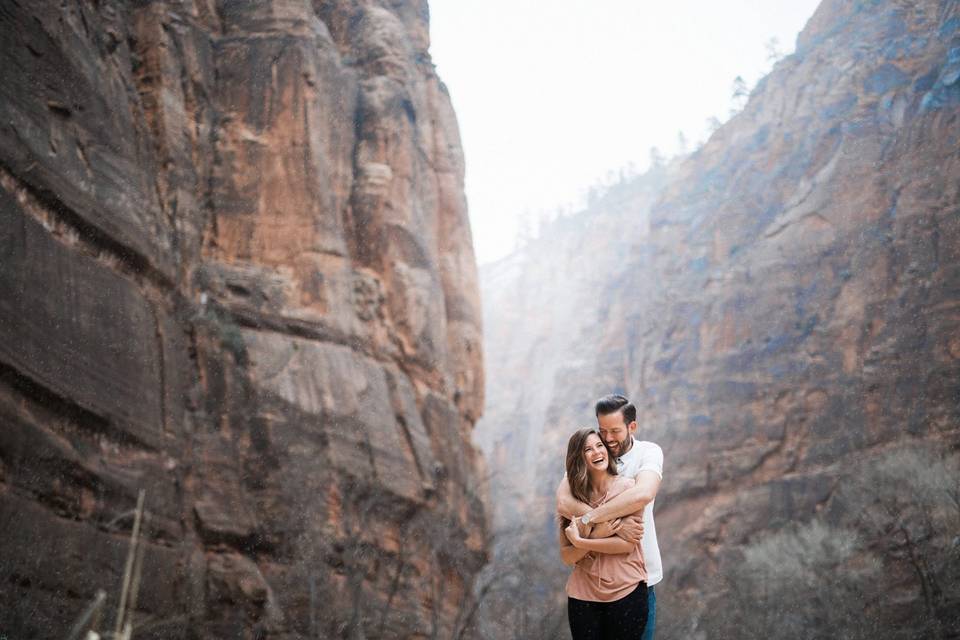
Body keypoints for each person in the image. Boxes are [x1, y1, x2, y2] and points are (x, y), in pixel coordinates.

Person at [557, 394, 664, 639]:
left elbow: (642, 494)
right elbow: (564, 502)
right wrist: (607, 524)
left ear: (632, 427)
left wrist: (589, 520)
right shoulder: (591, 456)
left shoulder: (648, 452)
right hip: (591, 581)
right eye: (602, 430)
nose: (607, 439)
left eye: (614, 431)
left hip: (639, 576)